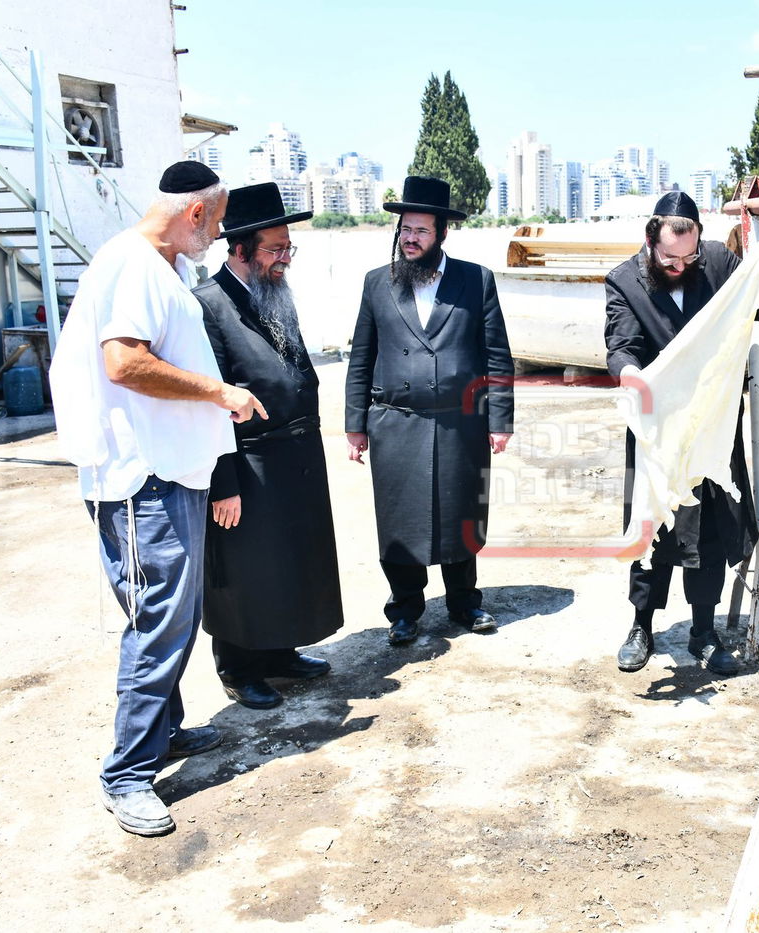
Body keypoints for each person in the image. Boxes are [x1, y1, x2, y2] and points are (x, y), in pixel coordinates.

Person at [49, 161, 267, 837]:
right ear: (196, 213)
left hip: (166, 473)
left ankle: (164, 730)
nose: (220, 231)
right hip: (144, 478)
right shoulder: (137, 264)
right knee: (161, 622)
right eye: (220, 219)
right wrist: (218, 393)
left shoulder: (154, 264)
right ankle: (127, 772)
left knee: (165, 614)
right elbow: (125, 362)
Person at [604, 190, 759, 677]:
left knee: (709, 528)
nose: (681, 265)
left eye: (689, 256)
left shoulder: (719, 263)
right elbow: (620, 345)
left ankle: (703, 634)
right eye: (670, 257)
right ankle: (641, 625)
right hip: (659, 425)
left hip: (713, 424)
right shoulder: (625, 281)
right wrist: (631, 376)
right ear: (651, 240)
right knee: (655, 522)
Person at [194, 183, 345, 710]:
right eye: (275, 249)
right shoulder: (208, 307)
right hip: (248, 461)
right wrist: (223, 484)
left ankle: (280, 651)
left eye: (288, 248)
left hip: (294, 457)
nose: (285, 258)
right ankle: (238, 666)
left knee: (291, 560)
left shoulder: (273, 292)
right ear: (239, 249)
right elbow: (206, 406)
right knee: (245, 568)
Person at [344, 175, 514, 646]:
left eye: (421, 230)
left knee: (462, 510)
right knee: (400, 518)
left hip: (460, 422)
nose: (411, 238)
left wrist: (499, 420)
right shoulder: (377, 283)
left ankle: (465, 603)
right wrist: (355, 425)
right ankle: (404, 610)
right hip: (395, 422)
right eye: (405, 230)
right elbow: (362, 355)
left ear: (442, 233)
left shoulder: (475, 279)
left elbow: (497, 355)